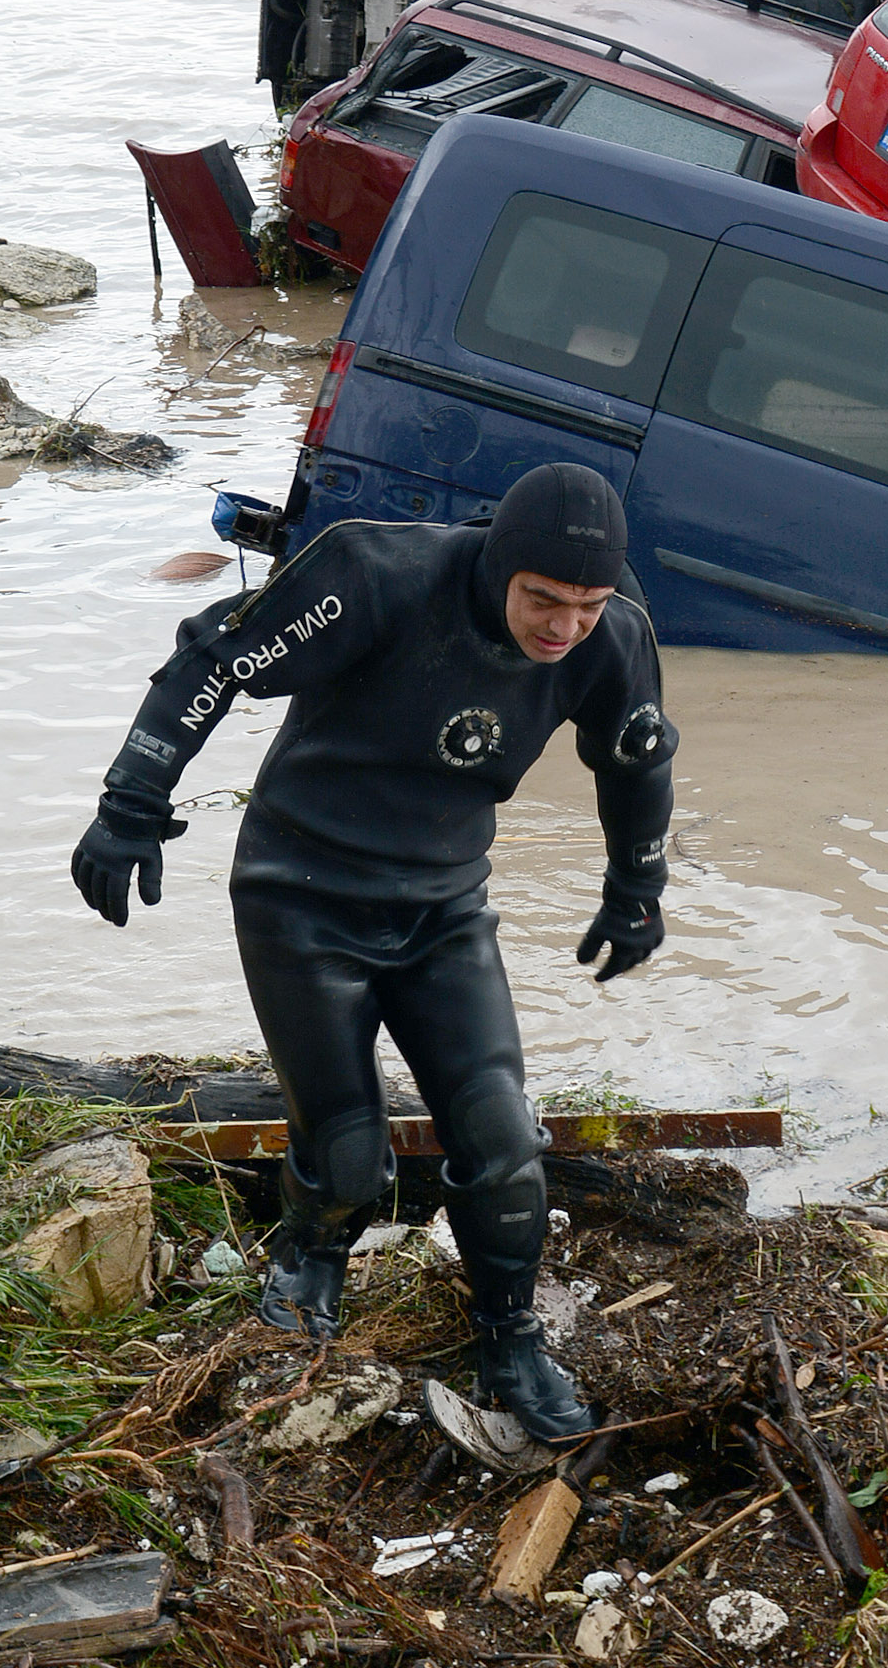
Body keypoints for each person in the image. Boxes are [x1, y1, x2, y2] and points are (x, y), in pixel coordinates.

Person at [70, 463, 675, 1441]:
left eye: (588, 604)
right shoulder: (372, 574)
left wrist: (637, 890)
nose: (565, 626)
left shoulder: (610, 640)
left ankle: (509, 1336)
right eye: (546, 600)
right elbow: (210, 659)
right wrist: (130, 804)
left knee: (506, 1144)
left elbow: (638, 763)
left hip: (442, 909)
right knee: (350, 1153)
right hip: (300, 899)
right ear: (497, 563)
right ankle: (309, 1255)